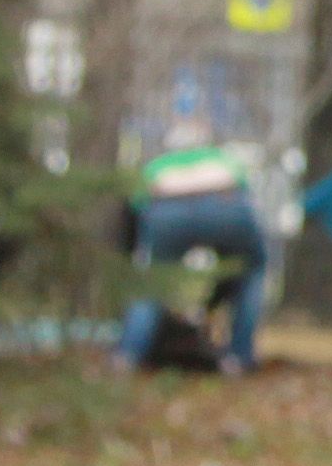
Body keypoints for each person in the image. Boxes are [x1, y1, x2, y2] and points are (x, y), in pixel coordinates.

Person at [112, 126, 268, 372]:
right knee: (252, 268)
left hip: (165, 208)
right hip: (225, 202)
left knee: (152, 283)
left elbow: (133, 212)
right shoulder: (223, 160)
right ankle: (238, 358)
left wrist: (132, 256)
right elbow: (246, 200)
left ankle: (127, 357)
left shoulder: (157, 166)